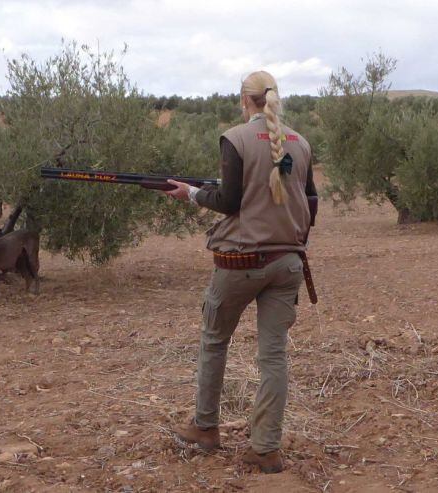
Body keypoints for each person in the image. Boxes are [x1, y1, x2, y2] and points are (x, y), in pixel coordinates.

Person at [162, 71, 316, 474]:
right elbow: (310, 202)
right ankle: (266, 448)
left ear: (245, 100)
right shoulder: (301, 143)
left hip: (241, 263)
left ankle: (205, 427)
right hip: (288, 262)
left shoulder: (235, 138)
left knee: (215, 340)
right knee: (273, 356)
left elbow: (229, 201)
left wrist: (191, 193)